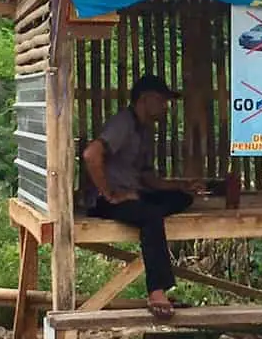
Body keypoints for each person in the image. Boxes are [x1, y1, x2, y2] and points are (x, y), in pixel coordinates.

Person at [83, 74, 194, 319]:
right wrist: (110, 194)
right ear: (145, 100)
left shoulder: (143, 129)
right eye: (162, 101)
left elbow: (146, 176)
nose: (166, 107)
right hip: (105, 202)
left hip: (131, 194)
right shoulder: (123, 123)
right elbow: (91, 155)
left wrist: (178, 187)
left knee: (182, 199)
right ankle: (156, 291)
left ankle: (147, 217)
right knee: (151, 217)